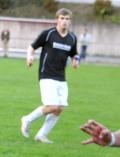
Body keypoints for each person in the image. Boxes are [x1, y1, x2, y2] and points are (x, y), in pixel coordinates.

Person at [20, 8, 80, 143]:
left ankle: (41, 135)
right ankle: (27, 119)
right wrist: (29, 57)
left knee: (59, 108)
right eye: (62, 18)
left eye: (67, 19)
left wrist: (76, 60)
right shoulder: (48, 34)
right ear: (57, 19)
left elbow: (74, 54)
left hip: (61, 77)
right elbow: (32, 47)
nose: (64, 21)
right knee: (52, 106)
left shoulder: (72, 38)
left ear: (70, 21)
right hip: (46, 75)